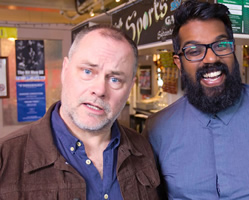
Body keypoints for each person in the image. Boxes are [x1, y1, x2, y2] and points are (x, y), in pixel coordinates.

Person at [142, 1, 249, 199]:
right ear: (179, 63)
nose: (210, 58)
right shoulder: (157, 129)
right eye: (194, 51)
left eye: (221, 45)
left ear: (233, 49)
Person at [0, 25, 160, 200]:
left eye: (115, 79)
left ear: (130, 87)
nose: (99, 90)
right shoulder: (6, 158)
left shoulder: (143, 149)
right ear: (65, 69)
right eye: (88, 71)